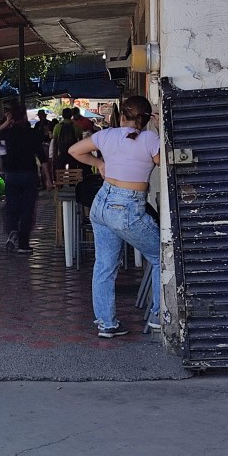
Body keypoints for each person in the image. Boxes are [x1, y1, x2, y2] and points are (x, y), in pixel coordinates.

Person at [68, 95, 161, 338]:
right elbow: (166, 162)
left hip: (102, 203)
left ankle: (107, 324)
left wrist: (99, 163)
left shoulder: (106, 136)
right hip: (127, 208)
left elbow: (74, 150)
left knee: (104, 266)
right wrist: (162, 129)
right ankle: (160, 317)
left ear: (122, 117)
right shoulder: (151, 138)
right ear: (147, 118)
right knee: (163, 256)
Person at [0, 103, 47, 254]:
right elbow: (42, 157)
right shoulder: (32, 134)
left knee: (11, 205)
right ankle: (23, 244)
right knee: (27, 209)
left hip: (11, 174)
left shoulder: (8, 133)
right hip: (29, 174)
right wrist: (48, 179)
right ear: (25, 117)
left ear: (11, 118)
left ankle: (12, 230)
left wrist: (6, 122)